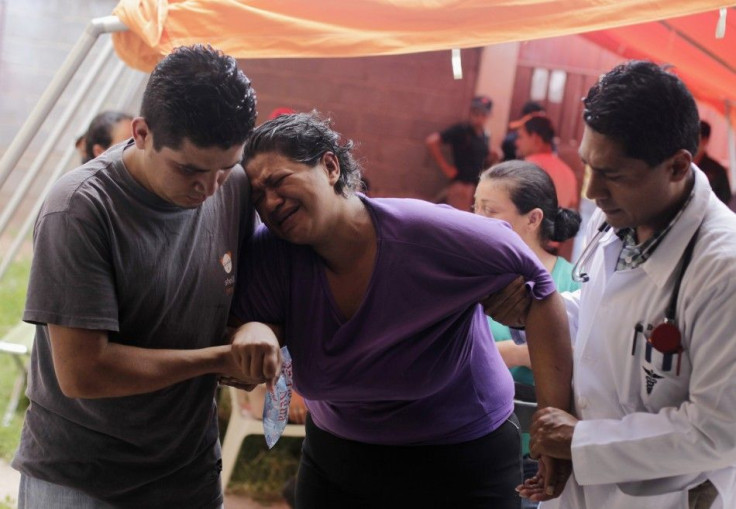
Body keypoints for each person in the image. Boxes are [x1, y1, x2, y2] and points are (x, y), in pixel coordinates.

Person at [229, 112, 573, 508]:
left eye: (279, 181)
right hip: (338, 457)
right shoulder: (272, 255)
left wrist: (551, 429)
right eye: (258, 195)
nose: (270, 202)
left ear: (329, 166)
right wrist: (254, 330)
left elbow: (542, 289)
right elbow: (244, 325)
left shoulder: (426, 235)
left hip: (461, 458)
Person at [13, 45, 259, 508]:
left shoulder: (235, 187)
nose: (207, 189)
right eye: (188, 169)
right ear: (141, 133)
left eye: (223, 169)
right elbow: (84, 373)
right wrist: (218, 359)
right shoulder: (81, 209)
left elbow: (243, 297)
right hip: (82, 479)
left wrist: (254, 331)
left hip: (189, 473)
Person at [518, 61, 736, 509]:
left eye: (613, 174)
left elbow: (716, 430)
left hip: (662, 497)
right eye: (587, 166)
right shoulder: (619, 214)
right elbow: (602, 307)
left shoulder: (723, 269)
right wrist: (538, 305)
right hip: (578, 489)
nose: (593, 189)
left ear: (677, 167)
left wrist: (583, 440)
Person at [474, 160, 581, 506]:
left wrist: (512, 350)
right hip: (478, 441)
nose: (475, 219)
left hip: (540, 450)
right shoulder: (469, 277)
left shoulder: (571, 281)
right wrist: (532, 350)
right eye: (474, 207)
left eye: (489, 211)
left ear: (533, 219)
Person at [426, 95, 495, 211]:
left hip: (475, 187)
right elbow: (432, 141)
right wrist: (446, 168)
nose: (479, 118)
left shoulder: (484, 135)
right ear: (471, 113)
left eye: (483, 114)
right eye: (476, 113)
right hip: (461, 185)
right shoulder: (461, 130)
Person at [514, 115, 578, 211]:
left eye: (520, 137)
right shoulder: (568, 173)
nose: (517, 142)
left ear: (536, 139)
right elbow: (572, 206)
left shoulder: (528, 167)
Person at [694, 120, 732, 205]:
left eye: (696, 139)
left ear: (705, 140)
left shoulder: (717, 171)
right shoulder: (682, 164)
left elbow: (725, 200)